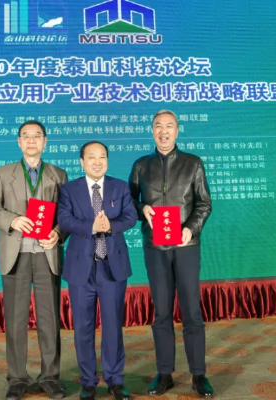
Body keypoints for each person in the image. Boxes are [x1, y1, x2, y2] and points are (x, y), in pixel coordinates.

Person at [129, 110, 213, 398]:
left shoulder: (193, 163)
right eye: (158, 126)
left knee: (192, 311)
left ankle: (199, 374)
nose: (163, 131)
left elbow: (204, 203)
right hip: (156, 247)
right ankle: (164, 373)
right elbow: (130, 201)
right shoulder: (141, 165)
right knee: (161, 312)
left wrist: (191, 228)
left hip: (186, 247)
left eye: (169, 126)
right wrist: (142, 208)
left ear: (177, 130)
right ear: (152, 131)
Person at [0, 121, 67, 400]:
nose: (31, 140)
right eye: (26, 136)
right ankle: (17, 378)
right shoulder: (3, 173)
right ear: (19, 142)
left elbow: (66, 214)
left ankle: (50, 377)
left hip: (46, 254)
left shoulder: (58, 174)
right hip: (15, 254)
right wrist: (13, 220)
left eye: (37, 136)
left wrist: (58, 233)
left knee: (49, 320)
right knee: (16, 320)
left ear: (45, 141)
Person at [58, 141, 137, 400]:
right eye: (91, 157)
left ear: (107, 161)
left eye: (102, 156)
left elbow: (130, 217)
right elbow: (64, 219)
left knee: (113, 324)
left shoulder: (120, 186)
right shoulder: (69, 189)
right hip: (81, 266)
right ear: (82, 162)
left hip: (112, 265)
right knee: (83, 326)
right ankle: (88, 381)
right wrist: (91, 226)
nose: (97, 161)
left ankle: (115, 379)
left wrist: (110, 226)